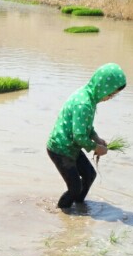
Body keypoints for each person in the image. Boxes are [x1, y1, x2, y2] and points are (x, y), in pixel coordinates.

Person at [46, 63, 126, 210]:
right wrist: (96, 148)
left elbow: (86, 127)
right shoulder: (84, 104)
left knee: (89, 175)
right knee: (74, 188)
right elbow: (79, 137)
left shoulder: (90, 96)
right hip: (60, 148)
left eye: (113, 95)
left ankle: (78, 206)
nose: (110, 98)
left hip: (71, 147)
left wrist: (96, 138)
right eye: (110, 94)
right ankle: (62, 212)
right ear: (102, 87)